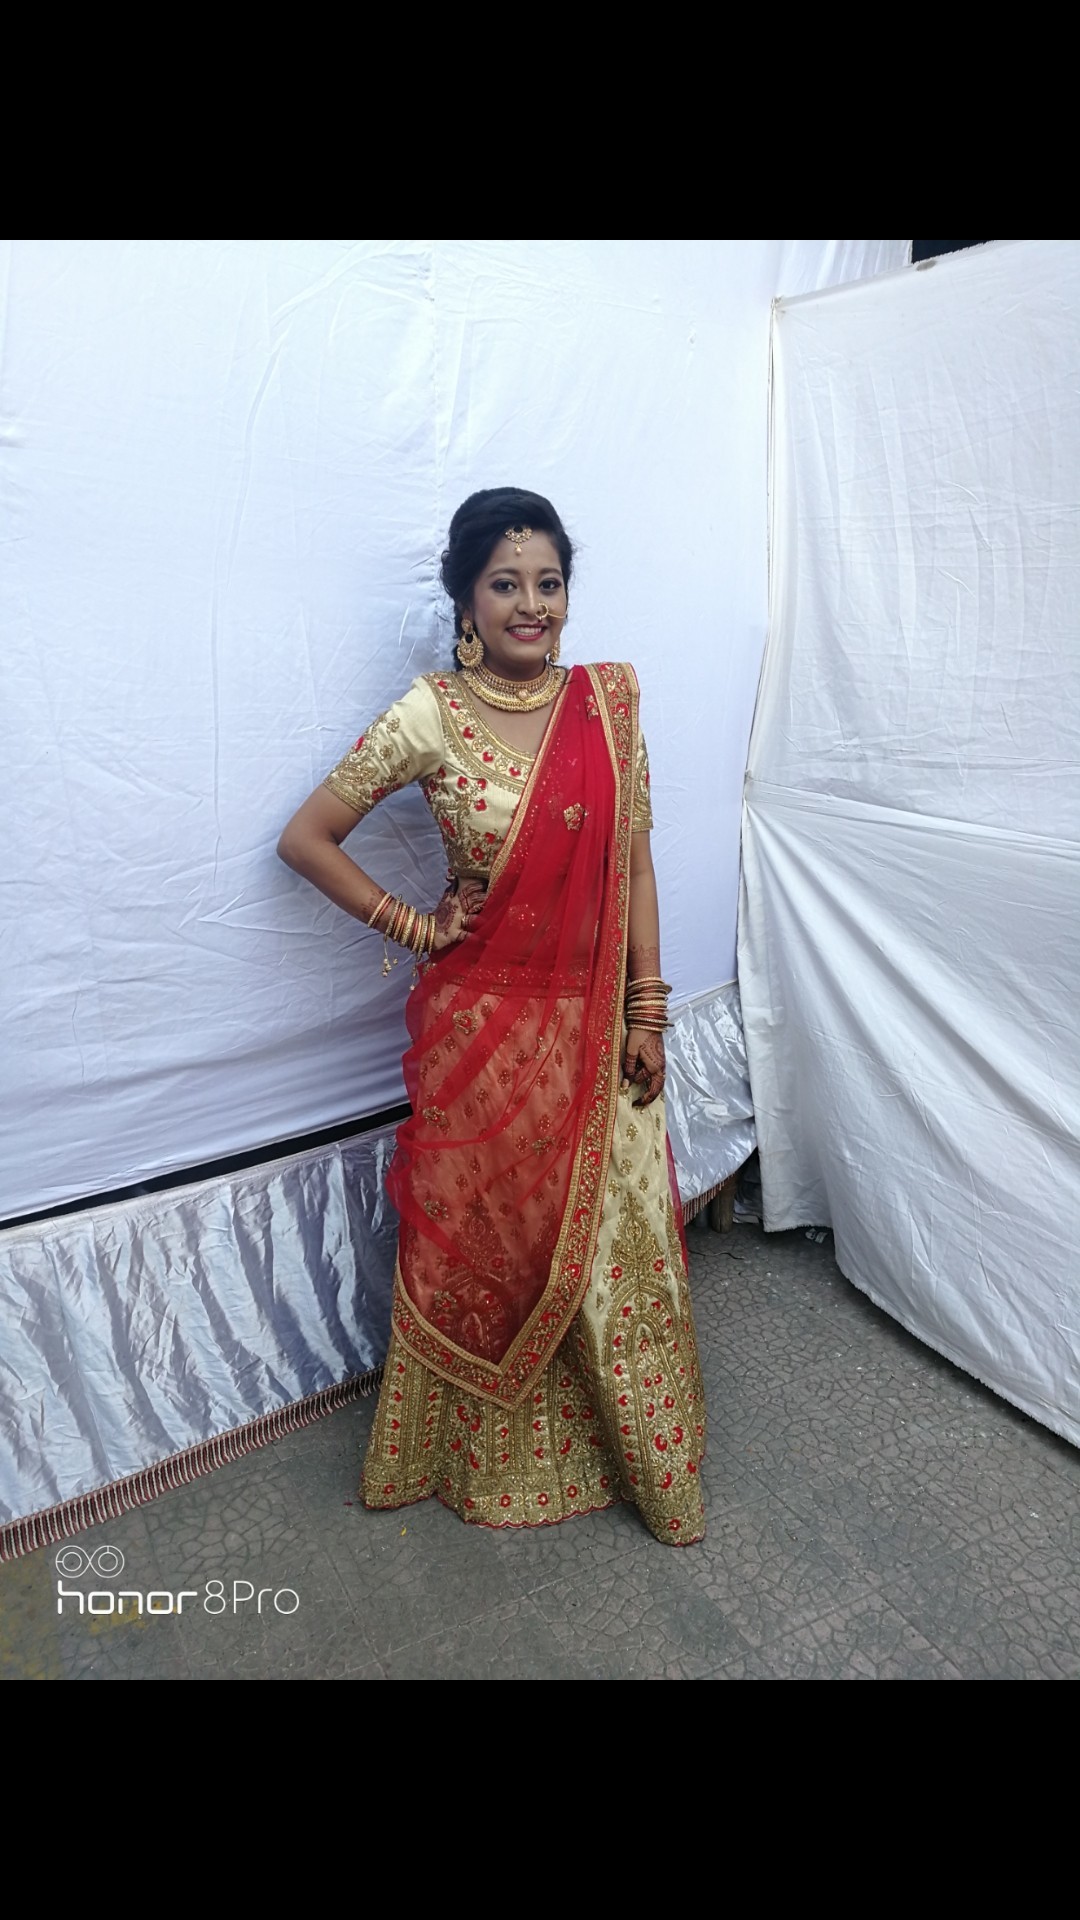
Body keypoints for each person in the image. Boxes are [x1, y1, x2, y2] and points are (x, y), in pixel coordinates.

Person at [277, 488, 706, 1544]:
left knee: (611, 1250)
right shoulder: (429, 713)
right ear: (467, 601)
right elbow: (307, 837)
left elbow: (635, 865)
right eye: (506, 584)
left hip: (595, 1025)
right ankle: (471, 1459)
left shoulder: (607, 706)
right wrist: (416, 927)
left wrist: (648, 1011)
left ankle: (631, 1458)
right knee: (490, 1252)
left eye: (548, 583)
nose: (531, 605)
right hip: (485, 1036)